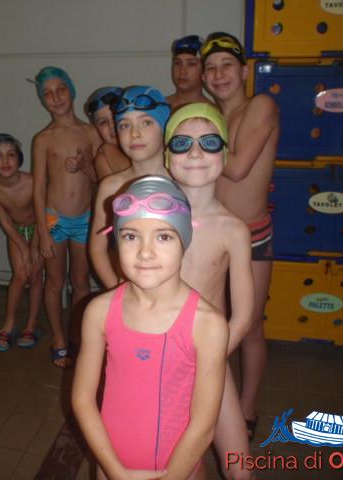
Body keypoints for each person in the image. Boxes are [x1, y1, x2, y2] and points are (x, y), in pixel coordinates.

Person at [73, 175, 228, 480]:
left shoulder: (207, 324)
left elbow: (204, 426)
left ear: (184, 240)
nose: (145, 252)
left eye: (163, 237)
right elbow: (82, 399)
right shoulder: (99, 312)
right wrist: (114, 470)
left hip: (180, 472)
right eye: (131, 236)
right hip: (110, 467)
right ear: (116, 240)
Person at [165, 104, 255, 480]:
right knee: (181, 464)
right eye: (182, 143)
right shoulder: (151, 219)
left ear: (225, 154)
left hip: (210, 357)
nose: (195, 152)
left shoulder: (233, 229)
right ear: (167, 157)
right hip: (159, 359)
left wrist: (210, 360)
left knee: (240, 468)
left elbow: (244, 314)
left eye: (209, 142)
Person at [201, 32, 280, 442]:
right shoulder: (211, 118)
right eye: (211, 68)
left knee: (249, 326)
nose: (218, 75)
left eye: (226, 66)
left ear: (245, 70)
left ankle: (246, 406)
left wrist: (186, 146)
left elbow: (237, 168)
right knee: (209, 320)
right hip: (214, 234)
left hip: (252, 236)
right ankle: (211, 398)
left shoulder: (261, 105)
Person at [31, 66, 102, 367]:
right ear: (42, 100)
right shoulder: (43, 139)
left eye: (60, 89)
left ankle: (77, 336)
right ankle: (59, 338)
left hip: (85, 219)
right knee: (54, 282)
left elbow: (101, 178)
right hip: (55, 221)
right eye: (48, 94)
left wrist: (84, 166)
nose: (56, 97)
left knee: (81, 282)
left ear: (71, 90)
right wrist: (42, 233)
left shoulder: (90, 132)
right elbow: (38, 189)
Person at [89, 86, 171, 289]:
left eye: (146, 122)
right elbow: (97, 248)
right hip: (131, 292)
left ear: (165, 127)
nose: (134, 133)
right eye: (125, 125)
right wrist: (117, 292)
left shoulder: (183, 182)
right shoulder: (111, 186)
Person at [0, 133, 43, 351]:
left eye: (11, 155)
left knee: (35, 274)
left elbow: (43, 215)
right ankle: (9, 323)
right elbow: (5, 221)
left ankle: (32, 324)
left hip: (40, 229)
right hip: (16, 231)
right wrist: (23, 248)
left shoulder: (32, 181)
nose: (5, 161)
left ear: (20, 158)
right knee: (20, 275)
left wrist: (34, 247)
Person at [85, 86, 131, 181]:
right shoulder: (103, 160)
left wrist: (108, 148)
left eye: (115, 117)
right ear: (97, 129)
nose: (111, 125)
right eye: (103, 122)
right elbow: (137, 183)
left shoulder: (149, 142)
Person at [166, 35, 212, 112]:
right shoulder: (159, 107)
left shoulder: (212, 112)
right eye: (177, 63)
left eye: (191, 64)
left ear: (204, 69)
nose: (182, 71)